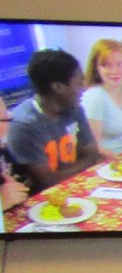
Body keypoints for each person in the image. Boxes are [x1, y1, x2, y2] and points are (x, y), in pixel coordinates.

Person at [5, 49, 101, 192]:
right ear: (58, 87)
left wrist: (86, 162)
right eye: (79, 82)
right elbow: (46, 181)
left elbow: (92, 154)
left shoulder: (74, 109)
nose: (84, 87)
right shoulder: (24, 124)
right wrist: (86, 163)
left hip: (78, 186)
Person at [81, 38, 122, 158]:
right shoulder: (94, 97)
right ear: (96, 68)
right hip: (107, 162)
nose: (114, 71)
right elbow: (95, 148)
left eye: (120, 65)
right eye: (107, 66)